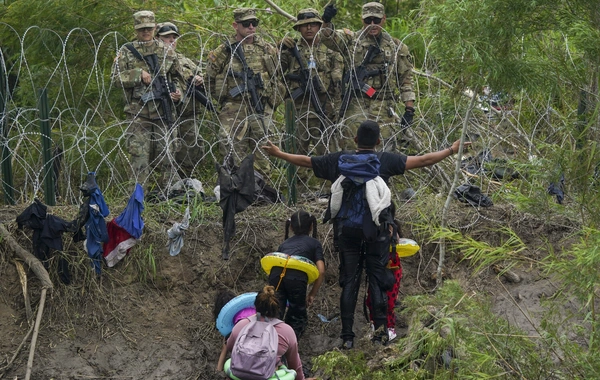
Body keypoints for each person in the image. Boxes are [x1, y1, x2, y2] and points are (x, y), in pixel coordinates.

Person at [262, 119, 470, 349]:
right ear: (379, 141)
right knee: (377, 281)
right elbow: (424, 160)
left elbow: (306, 161)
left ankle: (347, 337)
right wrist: (452, 149)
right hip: (377, 234)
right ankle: (380, 334)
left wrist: (279, 154)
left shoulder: (339, 160)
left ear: (355, 140)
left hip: (347, 233)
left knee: (349, 282)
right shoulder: (385, 160)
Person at [319, 2, 416, 152]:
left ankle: (379, 176)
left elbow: (405, 80)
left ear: (383, 19)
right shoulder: (351, 41)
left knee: (383, 150)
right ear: (361, 20)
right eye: (368, 20)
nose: (372, 24)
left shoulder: (396, 47)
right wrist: (326, 21)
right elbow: (327, 37)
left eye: (376, 20)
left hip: (383, 104)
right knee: (352, 146)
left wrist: (409, 110)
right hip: (356, 102)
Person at [111, 10, 183, 194]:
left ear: (154, 27)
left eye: (149, 28)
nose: (146, 32)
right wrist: (137, 75)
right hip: (138, 113)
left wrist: (178, 92)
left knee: (167, 156)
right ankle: (136, 199)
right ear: (136, 29)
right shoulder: (126, 51)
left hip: (163, 111)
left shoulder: (166, 51)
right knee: (139, 159)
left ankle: (168, 195)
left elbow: (180, 77)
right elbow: (115, 79)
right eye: (142, 29)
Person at [206, 8, 280, 174]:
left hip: (260, 106)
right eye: (246, 24)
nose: (251, 27)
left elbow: (277, 78)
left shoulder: (266, 49)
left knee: (264, 150)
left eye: (255, 23)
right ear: (235, 25)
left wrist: (271, 104)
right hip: (234, 107)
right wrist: (223, 100)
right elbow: (209, 79)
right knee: (231, 149)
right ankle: (235, 188)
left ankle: (261, 190)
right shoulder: (224, 50)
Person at [279, 9, 343, 157]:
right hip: (298, 110)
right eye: (305, 25)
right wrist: (278, 48)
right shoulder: (290, 49)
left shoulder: (331, 49)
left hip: (324, 109)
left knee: (328, 157)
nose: (309, 29)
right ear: (298, 28)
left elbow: (338, 83)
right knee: (295, 156)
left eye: (313, 25)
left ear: (319, 26)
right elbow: (276, 71)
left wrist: (337, 111)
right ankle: (299, 180)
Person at [155, 22, 210, 180]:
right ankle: (167, 185)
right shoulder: (154, 61)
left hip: (188, 115)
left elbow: (205, 79)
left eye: (174, 37)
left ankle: (185, 186)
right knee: (166, 152)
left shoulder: (184, 60)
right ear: (157, 38)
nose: (171, 41)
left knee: (190, 152)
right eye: (167, 37)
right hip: (164, 116)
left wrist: (200, 79)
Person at [226, 285, 315, 380]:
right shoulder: (286, 331)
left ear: (255, 306)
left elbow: (230, 347)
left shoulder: (241, 325)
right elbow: (294, 365)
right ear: (278, 308)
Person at [269, 210, 325, 339]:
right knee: (296, 317)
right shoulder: (314, 243)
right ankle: (288, 349)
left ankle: (269, 345)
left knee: (275, 312)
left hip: (276, 275)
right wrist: (312, 294)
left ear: (291, 227)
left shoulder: (284, 244)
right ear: (311, 226)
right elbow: (321, 270)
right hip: (296, 278)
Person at [366, 216, 403, 342]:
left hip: (391, 267)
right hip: (377, 265)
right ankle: (375, 326)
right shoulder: (372, 226)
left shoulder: (392, 226)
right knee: (372, 299)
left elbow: (397, 240)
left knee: (390, 300)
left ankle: (390, 328)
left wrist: (391, 231)